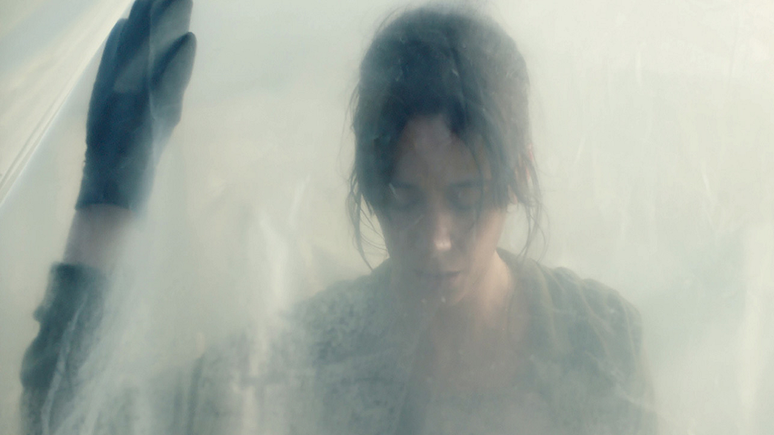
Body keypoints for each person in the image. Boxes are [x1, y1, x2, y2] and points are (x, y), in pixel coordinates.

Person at [19, 1, 658, 434]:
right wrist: (108, 198)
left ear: (518, 178)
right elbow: (76, 425)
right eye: (405, 197)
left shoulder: (597, 339)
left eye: (465, 197)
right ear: (371, 186)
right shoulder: (315, 356)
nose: (436, 239)